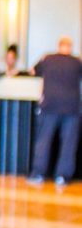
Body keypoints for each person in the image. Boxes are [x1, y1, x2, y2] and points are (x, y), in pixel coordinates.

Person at [27, 37, 81, 187]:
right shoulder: (77, 62)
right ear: (70, 47)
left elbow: (32, 71)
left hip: (49, 105)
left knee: (43, 141)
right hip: (71, 107)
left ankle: (38, 174)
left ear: (59, 46)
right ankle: (62, 177)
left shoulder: (47, 59)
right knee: (68, 144)